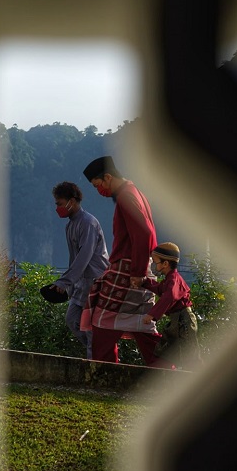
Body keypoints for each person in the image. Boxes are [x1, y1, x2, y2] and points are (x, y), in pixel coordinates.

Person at [79, 155, 168, 367]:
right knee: (142, 322)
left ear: (107, 177)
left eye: (97, 185)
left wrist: (136, 272)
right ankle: (165, 370)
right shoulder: (134, 192)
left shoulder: (126, 196)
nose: (99, 190)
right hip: (136, 266)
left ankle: (105, 372)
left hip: (128, 268)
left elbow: (144, 233)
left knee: (102, 321)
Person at [50, 181, 110, 359]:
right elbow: (74, 260)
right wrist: (69, 285)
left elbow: (84, 257)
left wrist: (64, 281)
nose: (58, 208)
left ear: (72, 201)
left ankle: (96, 364)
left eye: (60, 203)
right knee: (72, 320)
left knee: (91, 327)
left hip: (96, 281)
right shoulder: (70, 225)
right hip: (81, 283)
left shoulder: (88, 223)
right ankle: (98, 351)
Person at [142, 242, 202, 370]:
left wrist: (151, 314)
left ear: (165, 264)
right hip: (176, 321)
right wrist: (144, 282)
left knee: (190, 358)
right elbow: (159, 289)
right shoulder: (170, 279)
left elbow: (168, 296)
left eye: (156, 262)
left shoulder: (174, 279)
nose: (154, 265)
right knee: (162, 353)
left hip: (183, 321)